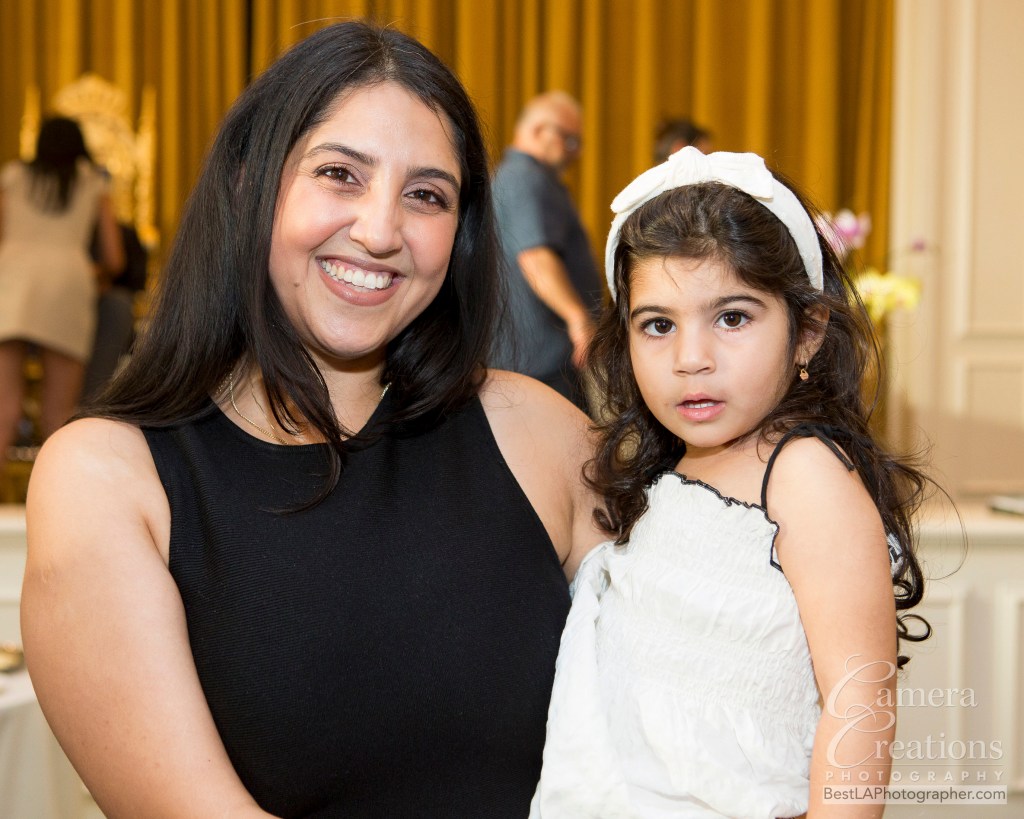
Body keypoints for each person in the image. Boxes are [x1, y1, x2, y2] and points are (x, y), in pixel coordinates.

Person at [22, 22, 604, 819]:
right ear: (246, 184)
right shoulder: (109, 477)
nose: (380, 231)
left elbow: (691, 697)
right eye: (339, 174)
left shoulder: (536, 429)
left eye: (427, 195)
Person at [529, 147, 932, 817]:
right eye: (659, 325)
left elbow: (859, 699)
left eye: (733, 317)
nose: (692, 358)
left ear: (808, 332)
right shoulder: (662, 475)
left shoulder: (802, 473)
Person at [0, 116, 124, 462]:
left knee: (3, 412)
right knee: (58, 416)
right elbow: (115, 258)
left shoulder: (13, 176)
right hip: (67, 285)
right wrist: (97, 275)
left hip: (9, 280)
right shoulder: (93, 183)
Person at [491, 91, 603, 409]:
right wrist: (578, 318)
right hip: (539, 364)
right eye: (570, 140)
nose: (576, 152)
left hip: (541, 361)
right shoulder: (524, 177)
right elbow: (535, 258)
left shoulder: (526, 178)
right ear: (540, 131)